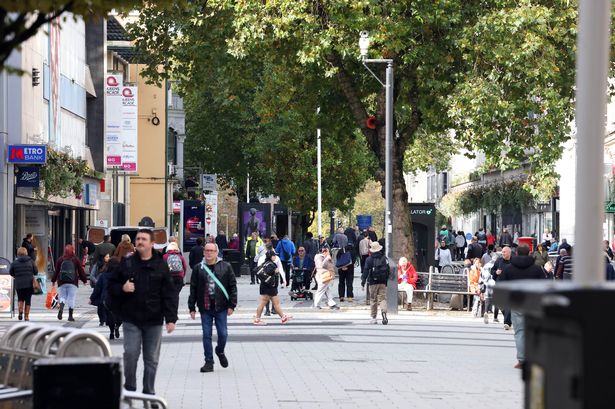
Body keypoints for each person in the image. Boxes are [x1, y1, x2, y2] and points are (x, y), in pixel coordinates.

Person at [107, 229, 179, 397]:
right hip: (131, 318)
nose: (139, 242)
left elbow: (169, 293)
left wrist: (171, 319)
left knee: (151, 358)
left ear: (151, 243)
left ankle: (148, 391)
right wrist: (122, 288)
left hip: (154, 319)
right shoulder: (127, 263)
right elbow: (111, 286)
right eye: (138, 239)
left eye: (143, 239)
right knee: (131, 354)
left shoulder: (160, 264)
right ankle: (130, 387)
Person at [189, 242, 238, 372]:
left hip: (221, 306)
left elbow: (232, 286)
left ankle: (220, 351)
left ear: (217, 252)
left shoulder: (226, 267)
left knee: (223, 334)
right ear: (204, 252)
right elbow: (193, 288)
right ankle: (208, 361)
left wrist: (232, 305)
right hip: (205, 307)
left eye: (212, 250)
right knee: (206, 335)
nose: (209, 253)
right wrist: (191, 307)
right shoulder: (198, 268)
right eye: (207, 250)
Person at [499, 244, 545, 369]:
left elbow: (501, 285)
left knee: (519, 332)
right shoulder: (537, 269)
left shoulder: (509, 268)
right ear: (530, 253)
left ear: (517, 253)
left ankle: (522, 359)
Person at [253, 250, 292, 326]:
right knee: (263, 303)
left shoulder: (265, 263)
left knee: (276, 303)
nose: (275, 257)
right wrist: (275, 271)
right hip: (269, 287)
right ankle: (257, 319)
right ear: (271, 256)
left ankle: (283, 317)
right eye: (274, 255)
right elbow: (269, 272)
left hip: (268, 286)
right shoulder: (271, 264)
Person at [52, 244, 87, 321]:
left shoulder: (60, 259)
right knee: (71, 298)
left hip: (61, 282)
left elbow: (56, 271)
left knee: (62, 297)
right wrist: (84, 280)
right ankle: (70, 316)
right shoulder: (75, 259)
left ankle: (61, 307)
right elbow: (80, 271)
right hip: (72, 282)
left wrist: (53, 280)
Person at [90, 255, 122, 339]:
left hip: (107, 298)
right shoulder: (121, 275)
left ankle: (111, 332)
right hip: (119, 298)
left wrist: (92, 298)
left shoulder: (103, 275)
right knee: (120, 316)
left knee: (110, 316)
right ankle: (117, 326)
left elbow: (98, 288)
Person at [361, 241, 390, 324]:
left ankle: (373, 317)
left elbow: (365, 271)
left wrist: (363, 282)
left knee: (373, 299)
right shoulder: (384, 258)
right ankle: (384, 313)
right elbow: (388, 271)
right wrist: (386, 281)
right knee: (383, 298)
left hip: (372, 282)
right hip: (382, 282)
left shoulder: (369, 259)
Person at [257, 242, 286, 315]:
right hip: (272, 282)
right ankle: (273, 311)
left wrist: (259, 279)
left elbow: (258, 269)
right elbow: (281, 269)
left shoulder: (262, 258)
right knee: (268, 300)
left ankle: (268, 311)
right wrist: (284, 280)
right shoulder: (275, 259)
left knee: (269, 300)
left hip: (264, 281)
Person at [9, 247, 37, 321]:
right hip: (29, 284)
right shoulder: (31, 261)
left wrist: (16, 275)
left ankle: (20, 312)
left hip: (19, 284)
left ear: (18, 253)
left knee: (20, 298)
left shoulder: (14, 262)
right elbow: (36, 271)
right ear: (26, 252)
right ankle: (26, 316)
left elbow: (11, 272)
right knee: (28, 299)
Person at [490, 246, 513, 329]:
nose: (503, 253)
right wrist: (496, 272)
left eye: (504, 252)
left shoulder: (514, 261)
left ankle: (507, 323)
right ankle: (509, 318)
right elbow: (492, 271)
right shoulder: (499, 261)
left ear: (509, 253)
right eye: (502, 252)